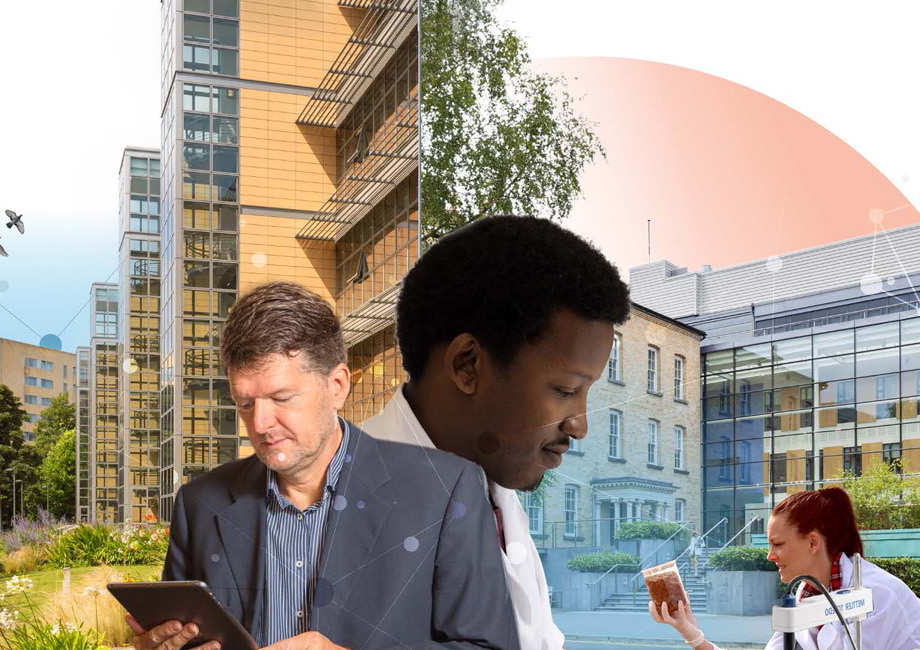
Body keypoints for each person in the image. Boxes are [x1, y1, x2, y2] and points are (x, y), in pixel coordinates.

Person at [129, 281, 518, 650]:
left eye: (282, 397)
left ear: (337, 386)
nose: (260, 424)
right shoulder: (199, 505)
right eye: (245, 403)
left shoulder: (446, 490)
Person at [360, 216, 631, 650]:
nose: (579, 425)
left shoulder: (495, 495)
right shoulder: (326, 509)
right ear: (468, 365)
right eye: (564, 390)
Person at [652, 487, 920, 650]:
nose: (770, 556)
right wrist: (691, 632)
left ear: (813, 542)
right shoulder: (806, 596)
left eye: (777, 544)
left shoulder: (877, 594)